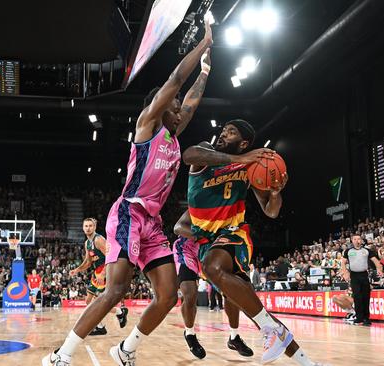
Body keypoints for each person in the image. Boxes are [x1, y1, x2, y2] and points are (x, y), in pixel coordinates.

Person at [43, 18, 213, 366]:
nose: (181, 109)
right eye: (175, 104)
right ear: (161, 105)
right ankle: (62, 356)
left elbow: (192, 95)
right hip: (128, 214)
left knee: (168, 296)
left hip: (151, 222)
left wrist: (207, 66)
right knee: (116, 290)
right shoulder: (147, 125)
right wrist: (204, 39)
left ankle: (125, 350)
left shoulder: (174, 137)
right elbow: (176, 81)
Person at [182, 120, 325, 365]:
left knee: (212, 267)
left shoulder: (251, 168)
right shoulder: (206, 152)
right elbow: (188, 155)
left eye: (231, 132)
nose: (223, 134)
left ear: (244, 142)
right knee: (252, 308)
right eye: (224, 129)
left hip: (234, 234)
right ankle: (307, 361)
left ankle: (270, 329)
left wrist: (276, 193)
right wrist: (242, 158)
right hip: (207, 241)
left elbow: (271, 211)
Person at [172, 209, 253, 360]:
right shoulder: (200, 205)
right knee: (190, 294)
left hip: (210, 253)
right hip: (187, 250)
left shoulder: (227, 209)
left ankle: (234, 337)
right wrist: (206, 235)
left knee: (231, 294)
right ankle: (190, 334)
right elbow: (177, 228)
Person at [69, 218, 128, 335]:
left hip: (106, 271)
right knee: (88, 301)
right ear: (83, 228)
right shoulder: (87, 243)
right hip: (97, 272)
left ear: (94, 227)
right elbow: (88, 262)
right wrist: (77, 269)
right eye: (86, 226)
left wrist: (103, 273)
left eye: (90, 226)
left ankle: (116, 315)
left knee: (99, 302)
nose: (88, 228)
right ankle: (109, 320)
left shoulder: (98, 240)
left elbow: (111, 256)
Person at [341, 234, 383, 325]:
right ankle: (359, 317)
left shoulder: (366, 250)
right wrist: (345, 273)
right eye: (355, 239)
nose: (357, 240)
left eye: (359, 239)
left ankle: (366, 318)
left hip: (364, 275)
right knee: (357, 296)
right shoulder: (348, 251)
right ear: (352, 241)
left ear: (361, 240)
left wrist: (379, 269)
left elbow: (376, 261)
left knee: (366, 296)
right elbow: (343, 263)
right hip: (354, 275)